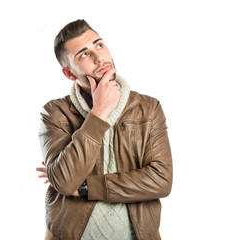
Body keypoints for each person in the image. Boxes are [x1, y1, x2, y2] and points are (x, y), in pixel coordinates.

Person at [37, 19, 173, 240]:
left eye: (99, 45)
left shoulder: (148, 108)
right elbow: (64, 181)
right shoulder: (55, 113)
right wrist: (98, 113)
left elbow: (161, 180)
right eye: (84, 54)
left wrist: (85, 188)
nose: (99, 57)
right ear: (69, 74)